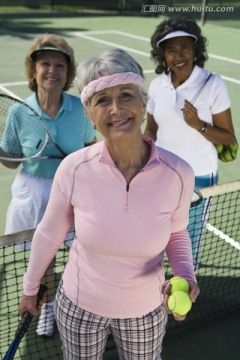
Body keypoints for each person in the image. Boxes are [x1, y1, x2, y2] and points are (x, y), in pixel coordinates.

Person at [19, 48, 200, 359]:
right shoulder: (73, 169)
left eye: (126, 95)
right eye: (102, 100)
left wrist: (186, 275)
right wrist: (30, 288)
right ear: (89, 114)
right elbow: (49, 235)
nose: (116, 108)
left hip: (145, 310)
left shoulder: (179, 173)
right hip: (78, 305)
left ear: (144, 104)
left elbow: (177, 233)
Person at [0, 34, 96, 337]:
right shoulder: (19, 112)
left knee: (85, 251)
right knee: (45, 258)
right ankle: (49, 308)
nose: (52, 70)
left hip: (72, 192)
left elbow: (91, 148)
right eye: (45, 63)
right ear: (33, 70)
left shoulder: (80, 109)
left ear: (67, 73)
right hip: (34, 193)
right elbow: (13, 161)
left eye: (60, 65)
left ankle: (84, 303)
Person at [144, 15, 235, 268]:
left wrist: (199, 125)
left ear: (196, 50)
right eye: (171, 50)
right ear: (163, 56)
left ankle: (185, 290)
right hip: (161, 173)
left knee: (187, 240)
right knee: (156, 234)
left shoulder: (212, 83)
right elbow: (151, 128)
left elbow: (227, 136)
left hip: (200, 177)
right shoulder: (157, 85)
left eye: (185, 47)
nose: (178, 55)